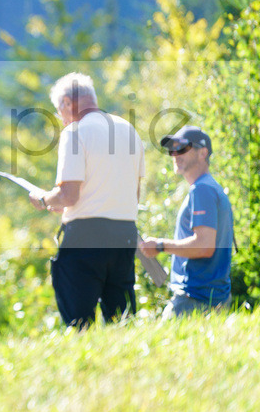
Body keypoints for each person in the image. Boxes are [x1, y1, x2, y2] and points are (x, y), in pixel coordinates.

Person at [29, 73, 145, 328]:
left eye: (59, 111)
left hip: (85, 236)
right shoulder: (128, 130)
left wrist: (44, 199)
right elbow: (133, 194)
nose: (61, 118)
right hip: (125, 232)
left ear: (67, 103)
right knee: (121, 317)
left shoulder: (74, 132)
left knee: (79, 320)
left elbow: (69, 195)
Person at [139, 126, 234, 319]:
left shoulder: (202, 190)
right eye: (172, 149)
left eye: (182, 147)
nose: (175, 154)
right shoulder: (210, 187)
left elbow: (204, 246)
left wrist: (160, 245)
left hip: (194, 301)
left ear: (203, 153)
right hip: (211, 299)